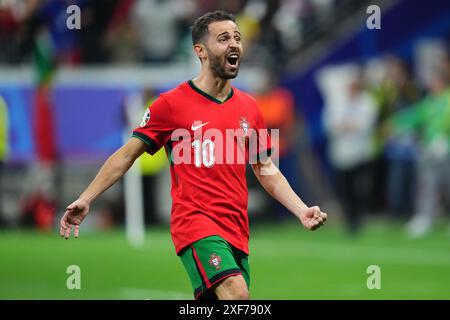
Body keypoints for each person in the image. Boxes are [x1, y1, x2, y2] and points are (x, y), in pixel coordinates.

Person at [59, 11, 327, 300]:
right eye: (223, 39)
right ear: (200, 50)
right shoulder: (171, 105)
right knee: (237, 295)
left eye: (237, 38)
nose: (234, 44)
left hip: (236, 227)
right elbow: (126, 155)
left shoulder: (250, 108)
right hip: (196, 223)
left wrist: (301, 209)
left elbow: (265, 169)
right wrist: (86, 198)